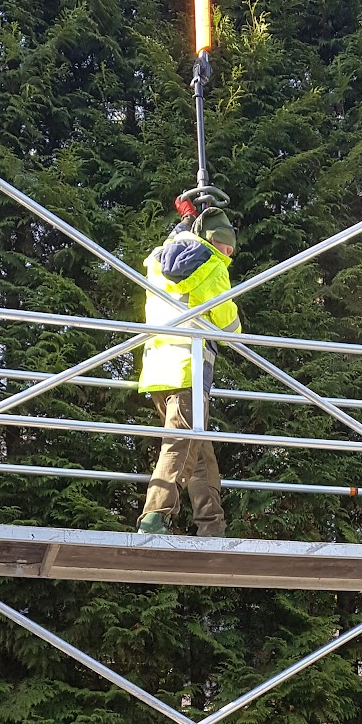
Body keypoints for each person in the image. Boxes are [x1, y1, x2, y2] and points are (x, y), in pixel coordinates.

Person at [135, 206, 240, 537]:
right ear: (214, 241)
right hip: (189, 371)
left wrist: (185, 221)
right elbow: (230, 326)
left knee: (198, 450)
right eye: (227, 247)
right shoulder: (213, 266)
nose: (228, 254)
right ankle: (155, 516)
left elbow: (175, 242)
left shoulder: (158, 261)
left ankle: (212, 523)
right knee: (180, 445)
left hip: (158, 369)